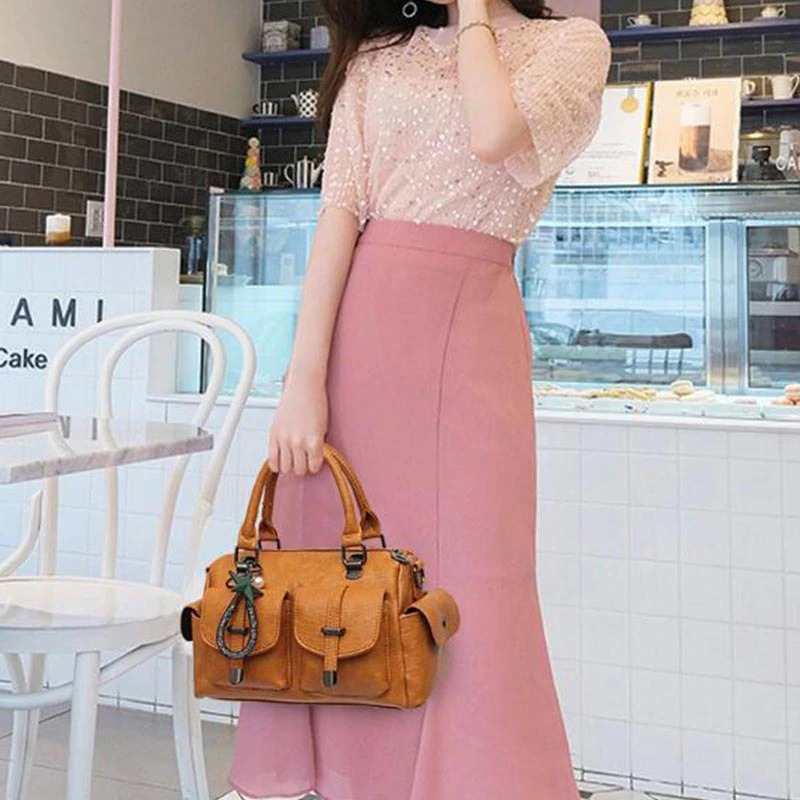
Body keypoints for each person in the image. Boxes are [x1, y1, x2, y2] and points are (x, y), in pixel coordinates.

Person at [228, 1, 610, 798]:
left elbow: (494, 133)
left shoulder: (570, 47)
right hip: (360, 343)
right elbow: (339, 218)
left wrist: (473, 13)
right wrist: (301, 381)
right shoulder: (376, 57)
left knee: (477, 586)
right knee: (339, 573)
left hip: (473, 338)